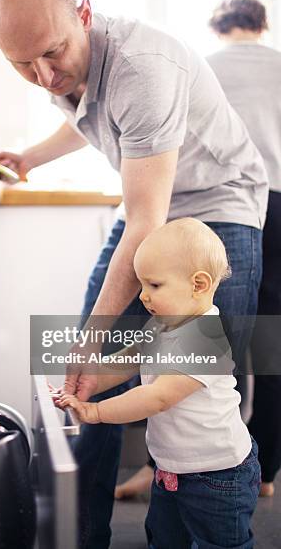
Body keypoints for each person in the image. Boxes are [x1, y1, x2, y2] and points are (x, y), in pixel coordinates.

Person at [0, 0, 268, 548]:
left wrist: (93, 334)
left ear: (84, 15)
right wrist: (31, 158)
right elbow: (87, 119)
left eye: (52, 52)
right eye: (21, 63)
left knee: (197, 379)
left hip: (218, 208)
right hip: (148, 204)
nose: (42, 73)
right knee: (88, 375)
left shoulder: (143, 67)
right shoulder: (63, 68)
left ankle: (213, 519)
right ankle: (83, 536)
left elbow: (145, 223)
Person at [58, 218, 261, 549]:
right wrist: (91, 382)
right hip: (172, 471)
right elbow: (131, 359)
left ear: (198, 284)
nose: (143, 296)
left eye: (154, 285)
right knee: (165, 538)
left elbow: (158, 398)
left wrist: (95, 412)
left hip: (217, 476)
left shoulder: (205, 339)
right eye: (141, 284)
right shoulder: (163, 323)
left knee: (220, 544)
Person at [207, 0, 281, 498]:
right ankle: (268, 473)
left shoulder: (203, 68)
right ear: (262, 25)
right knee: (273, 344)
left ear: (219, 28)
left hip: (226, 205)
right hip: (279, 205)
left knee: (205, 337)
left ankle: (197, 463)